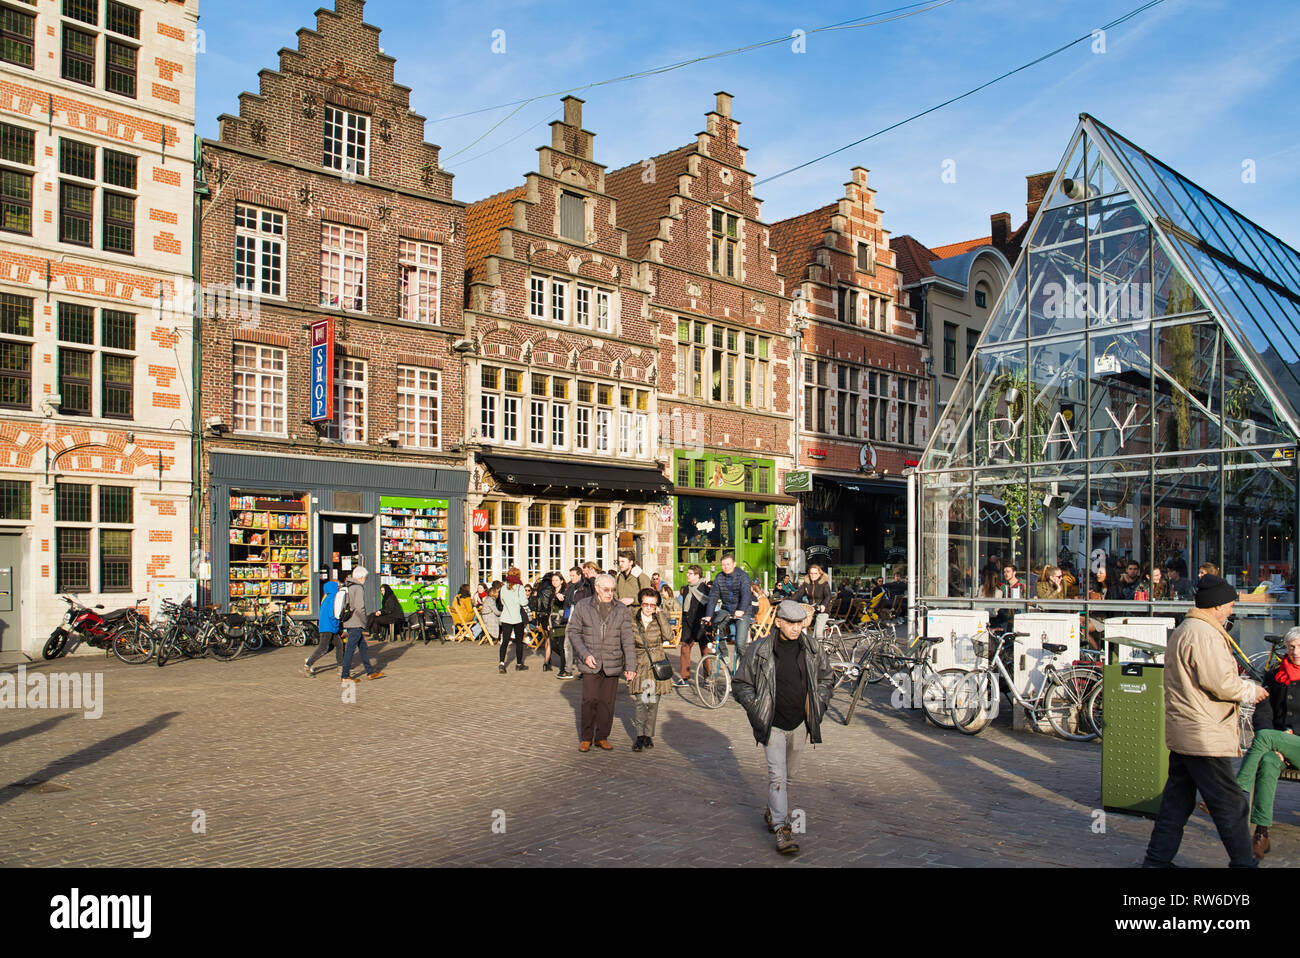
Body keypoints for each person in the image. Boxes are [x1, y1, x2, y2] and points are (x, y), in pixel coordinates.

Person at [1142, 575, 1268, 868]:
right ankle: (1243, 863)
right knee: (1231, 804)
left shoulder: (1188, 628)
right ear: (1216, 606)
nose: (1231, 610)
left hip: (1187, 728)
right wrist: (1252, 691)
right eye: (1230, 605)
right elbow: (1220, 682)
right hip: (1202, 733)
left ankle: (1156, 862)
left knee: (1177, 803)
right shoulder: (1204, 634)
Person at [732, 600, 836, 856]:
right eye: (790, 622)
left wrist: (818, 704)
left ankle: (772, 811)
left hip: (800, 723)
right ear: (778, 622)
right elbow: (741, 683)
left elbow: (826, 678)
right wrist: (756, 707)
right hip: (773, 724)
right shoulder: (760, 649)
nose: (796, 628)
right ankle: (782, 828)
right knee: (777, 777)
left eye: (799, 622)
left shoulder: (811, 647)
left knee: (788, 776)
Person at [1235, 627, 1300, 857]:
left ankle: (1236, 790)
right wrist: (1278, 744)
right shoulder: (1274, 676)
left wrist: (1284, 738)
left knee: (1265, 738)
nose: (1295, 651)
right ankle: (1261, 833)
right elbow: (1262, 714)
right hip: (1278, 746)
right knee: (1269, 762)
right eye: (1292, 646)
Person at [567, 574, 637, 751]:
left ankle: (602, 736)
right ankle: (586, 737)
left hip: (612, 661)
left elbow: (628, 639)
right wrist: (584, 654)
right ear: (597, 588)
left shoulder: (621, 609)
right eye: (606, 590)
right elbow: (574, 632)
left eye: (613, 590)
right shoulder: (583, 606)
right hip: (591, 661)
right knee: (590, 699)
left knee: (607, 702)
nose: (610, 593)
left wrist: (630, 666)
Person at [628, 587, 675, 751]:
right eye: (645, 604)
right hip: (640, 664)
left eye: (652, 605)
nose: (648, 608)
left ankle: (649, 735)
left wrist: (660, 614)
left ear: (657, 606)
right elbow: (626, 642)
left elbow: (669, 636)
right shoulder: (632, 618)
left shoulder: (659, 617)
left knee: (653, 702)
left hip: (656, 665)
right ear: (640, 603)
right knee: (641, 701)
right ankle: (640, 736)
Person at [704, 553, 754, 658]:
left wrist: (741, 610)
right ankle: (724, 654)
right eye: (723, 565)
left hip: (743, 611)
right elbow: (713, 597)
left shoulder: (743, 576)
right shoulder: (719, 577)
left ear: (734, 564)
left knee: (740, 644)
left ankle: (745, 666)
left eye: (728, 564)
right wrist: (709, 615)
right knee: (715, 625)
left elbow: (746, 594)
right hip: (726, 609)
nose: (726, 567)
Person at [339, 566, 384, 683]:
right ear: (361, 577)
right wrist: (365, 621)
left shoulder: (347, 586)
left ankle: (370, 672)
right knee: (350, 649)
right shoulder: (358, 588)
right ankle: (345, 676)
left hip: (349, 621)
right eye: (365, 577)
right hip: (356, 622)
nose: (365, 579)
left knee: (363, 648)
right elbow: (360, 607)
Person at [304, 578, 345, 676]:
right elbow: (333, 614)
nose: (339, 588)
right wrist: (337, 626)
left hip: (325, 627)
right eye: (338, 587)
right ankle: (308, 664)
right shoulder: (333, 599)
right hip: (329, 627)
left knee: (339, 645)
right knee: (323, 647)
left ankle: (341, 667)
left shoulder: (326, 598)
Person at [677, 564, 709, 688]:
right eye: (687, 573)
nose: (687, 575)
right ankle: (684, 677)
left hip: (701, 622)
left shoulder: (704, 588)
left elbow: (709, 605)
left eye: (690, 573)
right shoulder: (685, 589)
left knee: (705, 650)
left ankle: (708, 677)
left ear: (697, 575)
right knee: (685, 648)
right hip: (688, 622)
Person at [498, 567, 529, 673]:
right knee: (519, 641)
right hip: (517, 617)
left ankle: (502, 663)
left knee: (505, 641)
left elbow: (502, 601)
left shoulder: (503, 588)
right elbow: (523, 602)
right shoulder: (520, 587)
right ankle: (519, 664)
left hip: (506, 616)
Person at [791, 564, 831, 638]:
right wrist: (788, 602)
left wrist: (823, 605)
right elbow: (798, 594)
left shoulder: (824, 584)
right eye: (811, 573)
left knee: (818, 633)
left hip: (822, 610)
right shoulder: (806, 583)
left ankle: (819, 646)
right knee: (801, 626)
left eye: (815, 573)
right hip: (810, 610)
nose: (813, 575)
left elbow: (828, 596)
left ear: (819, 574)